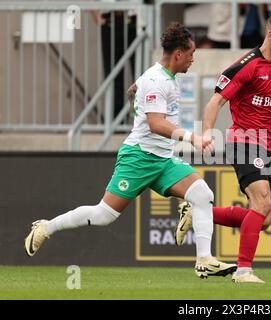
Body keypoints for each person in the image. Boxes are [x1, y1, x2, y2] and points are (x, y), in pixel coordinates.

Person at [24, 22, 237, 279]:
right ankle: (46, 227)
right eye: (191, 54)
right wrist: (192, 138)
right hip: (138, 157)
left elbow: (132, 92)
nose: (193, 59)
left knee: (202, 194)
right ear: (178, 54)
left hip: (163, 159)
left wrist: (136, 102)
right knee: (103, 214)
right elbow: (156, 123)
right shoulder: (157, 79)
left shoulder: (161, 78)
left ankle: (204, 260)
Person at [174, 12, 271, 283]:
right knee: (262, 200)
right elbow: (214, 102)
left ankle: (197, 213)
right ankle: (243, 271)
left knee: (263, 217)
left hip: (265, 147)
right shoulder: (247, 66)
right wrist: (206, 133)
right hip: (242, 140)